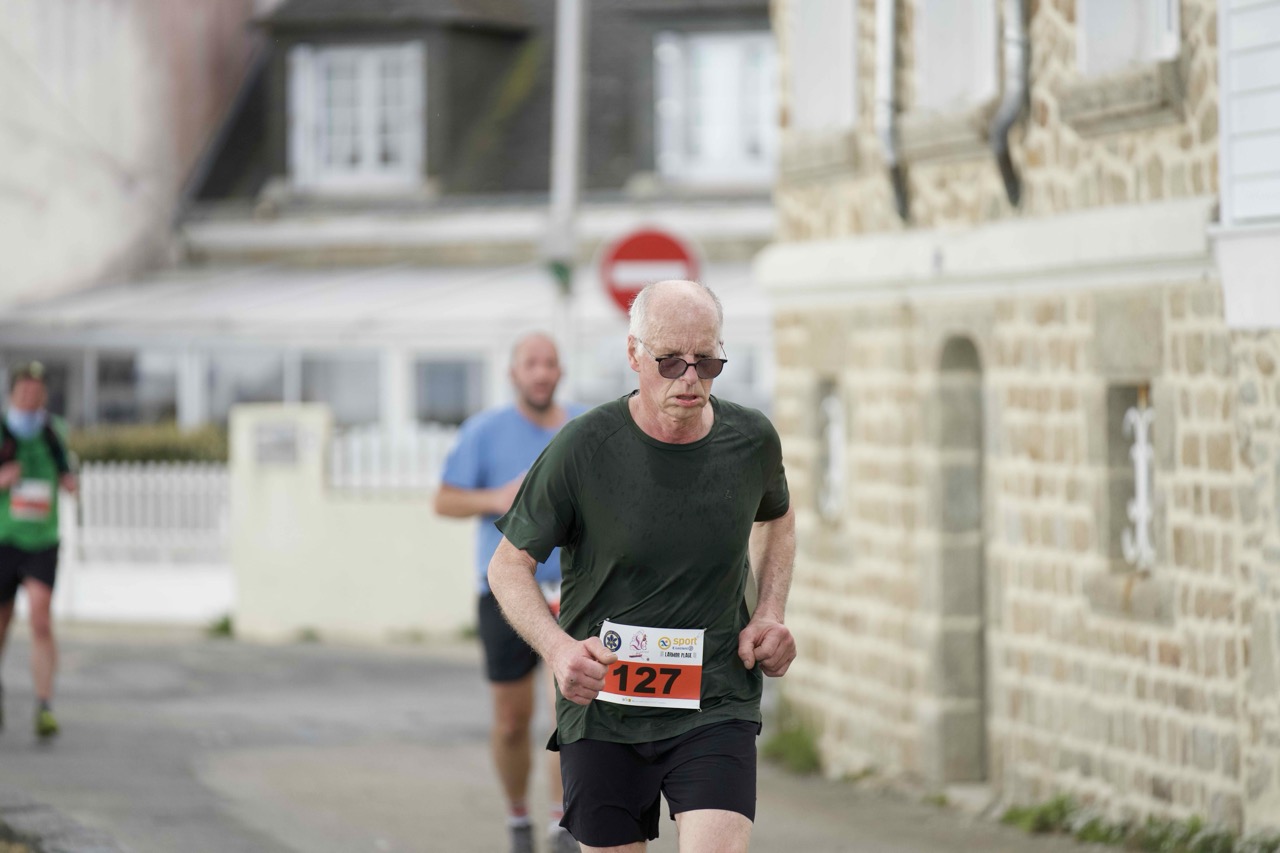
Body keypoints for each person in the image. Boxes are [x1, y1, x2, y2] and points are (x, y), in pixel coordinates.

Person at [488, 280, 797, 853]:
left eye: (707, 361)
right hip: (604, 709)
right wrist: (559, 651)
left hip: (715, 700)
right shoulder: (583, 448)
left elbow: (775, 518)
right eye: (670, 361)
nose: (690, 378)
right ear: (634, 354)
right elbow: (507, 566)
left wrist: (770, 612)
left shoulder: (751, 440)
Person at [434, 333, 587, 853]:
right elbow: (444, 500)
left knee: (567, 710)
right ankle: (519, 817)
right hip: (506, 591)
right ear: (514, 373)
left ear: (561, 372)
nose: (541, 372)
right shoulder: (484, 431)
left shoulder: (583, 426)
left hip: (575, 591)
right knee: (511, 721)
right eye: (531, 364)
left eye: (550, 363)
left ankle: (562, 823)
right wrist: (496, 498)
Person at [0, 361, 77, 739]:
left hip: (43, 539)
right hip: (4, 538)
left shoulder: (54, 431)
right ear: (13, 394)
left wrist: (70, 482)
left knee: (41, 617)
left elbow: (67, 472)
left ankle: (44, 704)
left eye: (37, 391)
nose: (31, 397)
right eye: (24, 391)